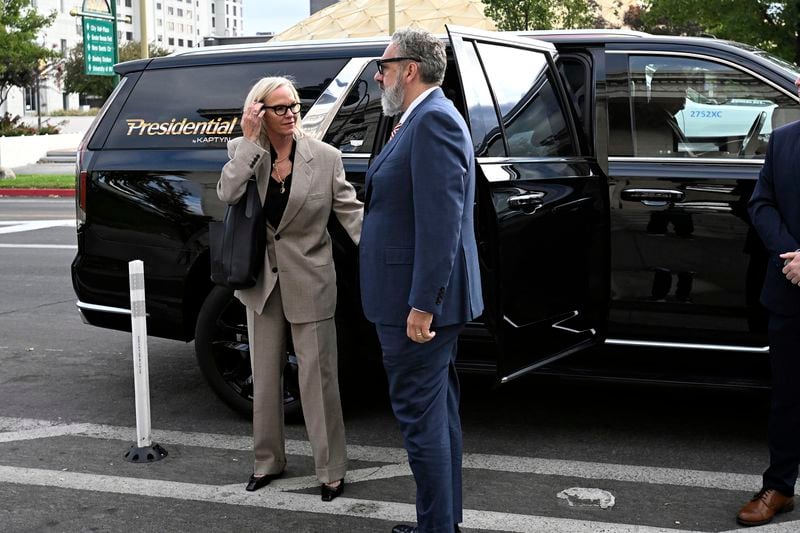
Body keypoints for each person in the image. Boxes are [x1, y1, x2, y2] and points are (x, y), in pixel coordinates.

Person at [359, 28, 484, 533]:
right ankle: (441, 524)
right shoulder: (418, 119)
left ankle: (437, 528)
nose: (379, 74)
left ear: (410, 69)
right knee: (438, 419)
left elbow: (441, 224)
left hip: (415, 309)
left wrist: (421, 305)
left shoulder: (432, 121)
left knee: (422, 425)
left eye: (384, 66)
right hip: (414, 301)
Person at [217, 76, 362, 501]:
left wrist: (388, 257)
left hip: (311, 280)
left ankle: (331, 469)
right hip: (261, 282)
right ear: (259, 111)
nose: (291, 113)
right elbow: (227, 193)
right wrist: (248, 141)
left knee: (319, 380)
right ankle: (267, 461)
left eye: (295, 105)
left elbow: (352, 215)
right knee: (263, 379)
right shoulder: (246, 153)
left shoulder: (325, 157)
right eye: (280, 107)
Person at [738, 76, 800, 527]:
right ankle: (779, 486)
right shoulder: (782, 141)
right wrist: (791, 255)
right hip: (790, 289)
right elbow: (762, 204)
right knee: (788, 398)